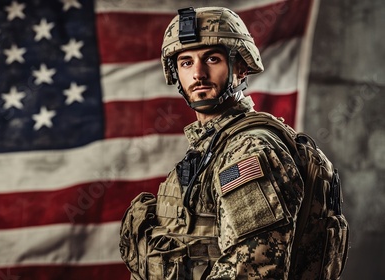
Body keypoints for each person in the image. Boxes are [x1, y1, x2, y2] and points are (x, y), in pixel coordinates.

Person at [120, 6, 304, 279]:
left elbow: (253, 269)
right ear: (176, 74)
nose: (198, 74)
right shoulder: (212, 145)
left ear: (240, 68)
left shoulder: (247, 150)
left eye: (212, 59)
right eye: (186, 62)